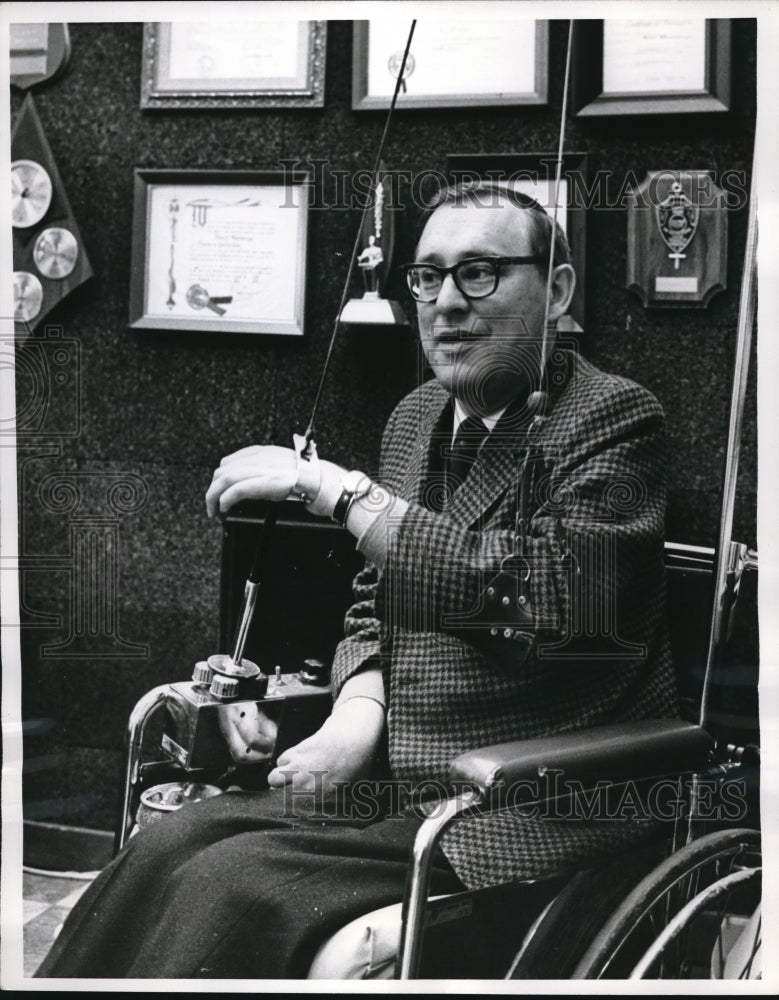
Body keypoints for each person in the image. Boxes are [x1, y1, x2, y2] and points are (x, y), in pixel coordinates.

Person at [36, 182, 678, 980]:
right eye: (426, 276)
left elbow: (547, 601)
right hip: (391, 774)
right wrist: (356, 711)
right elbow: (376, 601)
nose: (445, 302)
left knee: (234, 885)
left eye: (479, 272)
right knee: (171, 839)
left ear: (556, 290)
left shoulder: (614, 418)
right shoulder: (414, 418)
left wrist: (338, 490)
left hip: (518, 801)